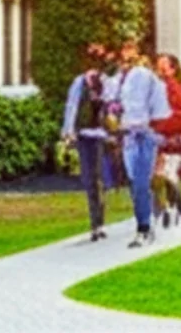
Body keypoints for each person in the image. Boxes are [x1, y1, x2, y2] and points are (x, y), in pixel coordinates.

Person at [115, 39, 171, 248]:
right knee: (135, 180)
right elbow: (115, 103)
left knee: (139, 181)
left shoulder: (149, 80)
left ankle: (144, 229)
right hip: (130, 134)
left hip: (145, 134)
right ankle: (150, 212)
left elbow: (160, 110)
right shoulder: (121, 80)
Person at [60, 44, 117, 241]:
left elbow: (112, 106)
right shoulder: (79, 83)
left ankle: (99, 222)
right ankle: (96, 224)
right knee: (91, 179)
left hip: (99, 135)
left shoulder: (106, 83)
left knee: (99, 178)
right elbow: (72, 106)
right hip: (85, 135)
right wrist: (68, 131)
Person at [152, 53, 181, 231]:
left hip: (171, 137)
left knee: (163, 174)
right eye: (158, 66)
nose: (160, 70)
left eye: (164, 67)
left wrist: (163, 128)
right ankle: (173, 211)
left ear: (173, 69)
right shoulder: (167, 88)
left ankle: (171, 210)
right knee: (165, 174)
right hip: (170, 136)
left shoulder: (173, 89)